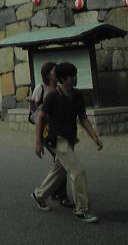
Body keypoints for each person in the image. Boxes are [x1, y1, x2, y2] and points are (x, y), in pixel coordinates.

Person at [32, 62, 103, 224]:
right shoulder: (52, 96)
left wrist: (94, 137)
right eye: (71, 76)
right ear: (63, 79)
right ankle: (82, 210)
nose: (75, 78)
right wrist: (38, 142)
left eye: (75, 75)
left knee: (60, 170)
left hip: (70, 139)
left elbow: (82, 118)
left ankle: (39, 195)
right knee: (78, 171)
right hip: (57, 139)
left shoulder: (77, 95)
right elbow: (40, 117)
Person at [29, 62, 71, 207]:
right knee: (63, 160)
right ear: (48, 74)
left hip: (60, 131)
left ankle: (55, 192)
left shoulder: (60, 88)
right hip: (47, 132)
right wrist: (38, 141)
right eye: (54, 71)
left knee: (62, 161)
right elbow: (33, 113)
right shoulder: (40, 89)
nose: (57, 72)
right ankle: (58, 194)